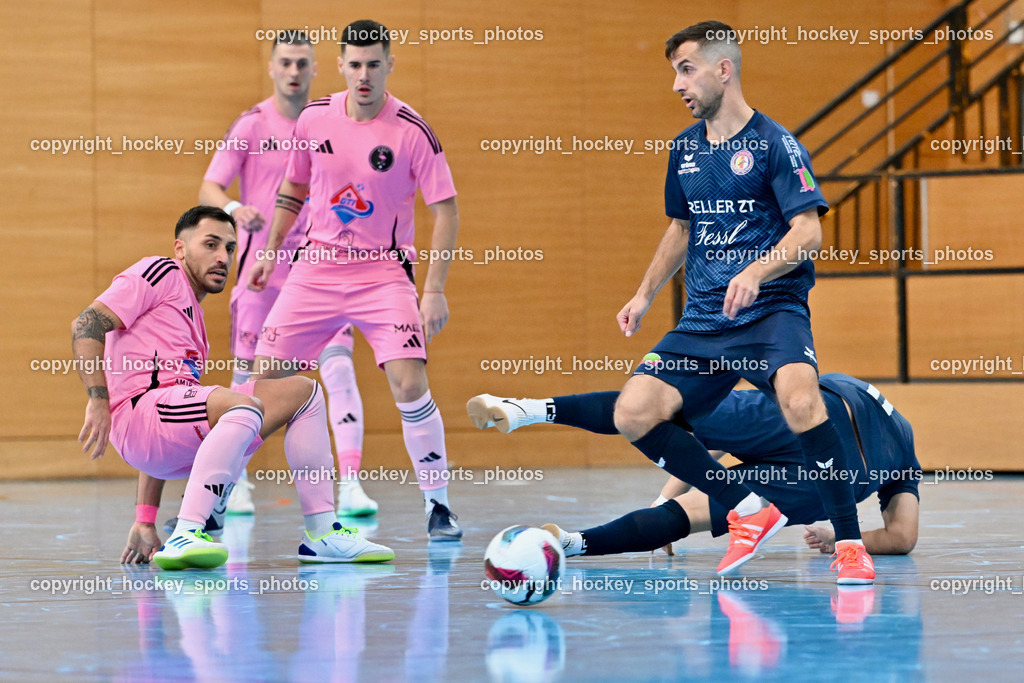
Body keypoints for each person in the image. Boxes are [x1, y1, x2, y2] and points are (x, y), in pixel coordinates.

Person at [600, 19, 867, 582]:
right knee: (633, 411)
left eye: (686, 69)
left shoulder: (775, 144)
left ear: (723, 70)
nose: (677, 84)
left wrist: (758, 269)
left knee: (800, 401)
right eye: (675, 71)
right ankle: (748, 509)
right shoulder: (684, 150)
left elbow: (808, 233)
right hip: (704, 319)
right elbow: (681, 228)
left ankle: (850, 544)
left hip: (772, 313)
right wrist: (644, 292)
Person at [72, 205, 394, 569]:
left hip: (165, 432)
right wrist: (98, 399)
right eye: (210, 245)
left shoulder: (195, 321)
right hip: (136, 414)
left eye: (229, 248)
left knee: (305, 393)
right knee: (240, 404)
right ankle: (190, 529)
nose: (222, 257)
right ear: (180, 248)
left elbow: (175, 418)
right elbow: (86, 324)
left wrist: (145, 519)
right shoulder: (160, 272)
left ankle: (321, 533)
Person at [246, 19, 462, 540]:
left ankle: (439, 505)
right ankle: (214, 502)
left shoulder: (412, 130)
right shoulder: (315, 119)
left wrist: (432, 290)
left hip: (383, 274)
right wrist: (269, 253)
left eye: (373, 65)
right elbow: (293, 188)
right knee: (261, 381)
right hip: (315, 269)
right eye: (355, 65)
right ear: (340, 65)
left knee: (409, 381)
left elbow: (447, 211)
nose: (364, 75)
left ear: (390, 64)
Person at [468, 373, 918, 567]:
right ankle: (570, 544)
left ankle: (528, 409)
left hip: (807, 411)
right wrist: (841, 537)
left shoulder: (849, 388)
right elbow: (902, 537)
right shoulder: (905, 447)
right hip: (835, 478)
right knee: (690, 516)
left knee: (653, 410)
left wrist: (660, 496)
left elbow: (702, 444)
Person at [199, 30, 375, 518]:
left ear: (317, 69)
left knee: (337, 368)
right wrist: (236, 208)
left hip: (323, 269)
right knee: (249, 377)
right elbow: (210, 185)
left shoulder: (336, 123)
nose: (295, 71)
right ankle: (230, 483)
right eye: (286, 63)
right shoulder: (252, 124)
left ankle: (352, 485)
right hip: (262, 271)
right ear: (273, 67)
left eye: (303, 63)